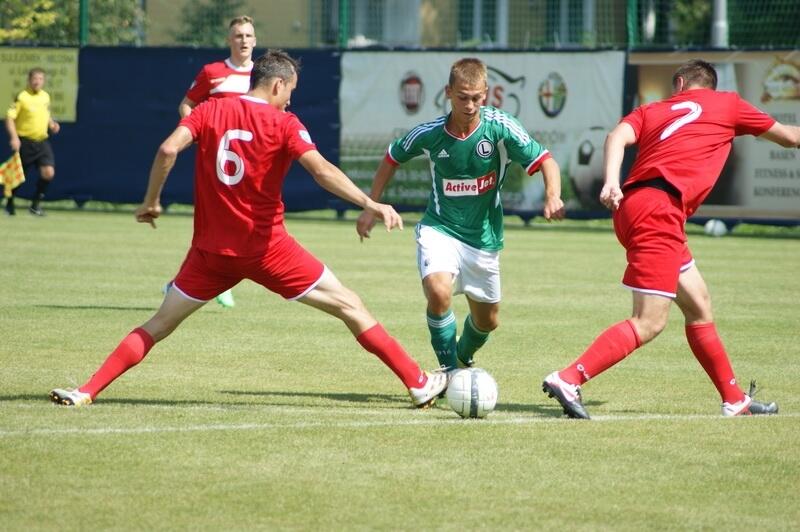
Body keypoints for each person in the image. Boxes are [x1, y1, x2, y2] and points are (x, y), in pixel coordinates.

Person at [49, 50, 447, 409]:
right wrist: (370, 203)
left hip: (210, 254)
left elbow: (169, 149)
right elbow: (322, 171)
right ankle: (417, 382)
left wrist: (152, 200)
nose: (291, 98)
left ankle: (87, 390)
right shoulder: (284, 123)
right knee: (350, 306)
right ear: (277, 84)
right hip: (267, 250)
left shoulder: (207, 110)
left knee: (158, 324)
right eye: (290, 89)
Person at [542, 59, 800, 419]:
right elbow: (790, 137)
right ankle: (569, 378)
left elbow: (616, 136)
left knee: (698, 304)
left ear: (679, 84)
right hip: (659, 211)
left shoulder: (652, 109)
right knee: (649, 321)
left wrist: (612, 181)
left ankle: (734, 399)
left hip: (637, 207)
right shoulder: (728, 102)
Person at [356, 58, 565, 375]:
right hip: (439, 229)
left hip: (484, 240)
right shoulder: (430, 134)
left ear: (486, 95)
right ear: (448, 93)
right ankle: (449, 371)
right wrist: (372, 206)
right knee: (439, 293)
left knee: (488, 321)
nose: (470, 105)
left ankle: (462, 357)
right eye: (463, 97)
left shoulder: (499, 128)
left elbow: (545, 160)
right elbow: (391, 157)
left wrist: (552, 195)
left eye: (477, 98)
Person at [177, 15, 258, 308]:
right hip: (218, 163)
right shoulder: (213, 72)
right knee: (212, 225)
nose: (244, 41)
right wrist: (199, 133)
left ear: (256, 40)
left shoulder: (262, 75)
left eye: (248, 36)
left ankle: (185, 283)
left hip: (254, 164)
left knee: (246, 223)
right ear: (229, 40)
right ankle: (213, 282)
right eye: (238, 36)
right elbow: (186, 104)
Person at [4, 67, 60, 216]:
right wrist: (14, 138)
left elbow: (45, 114)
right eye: (35, 79)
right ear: (29, 80)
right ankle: (9, 202)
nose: (37, 82)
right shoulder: (22, 97)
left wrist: (52, 124)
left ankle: (35, 205)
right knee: (19, 177)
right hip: (25, 141)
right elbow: (10, 118)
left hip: (42, 141)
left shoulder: (45, 97)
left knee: (48, 172)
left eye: (40, 79)